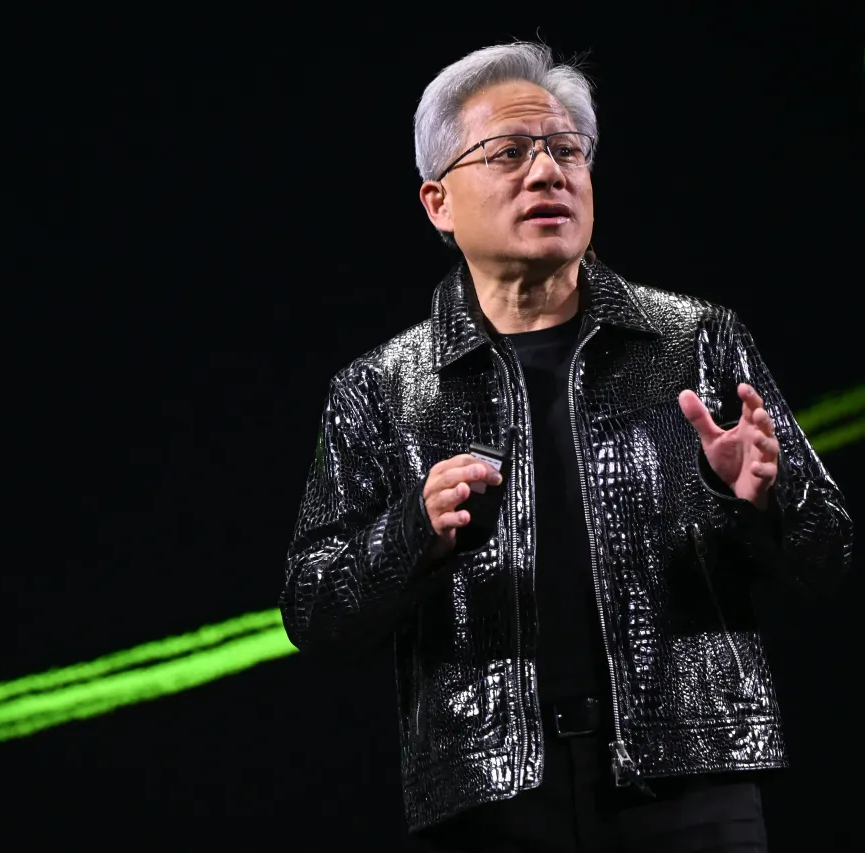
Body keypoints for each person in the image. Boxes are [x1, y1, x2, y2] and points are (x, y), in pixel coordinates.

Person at [278, 42, 852, 853]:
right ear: (438, 202)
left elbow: (830, 559)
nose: (547, 172)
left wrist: (762, 494)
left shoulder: (696, 341)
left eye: (566, 151)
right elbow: (312, 609)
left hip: (691, 782)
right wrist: (414, 529)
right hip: (489, 800)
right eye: (510, 152)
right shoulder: (380, 390)